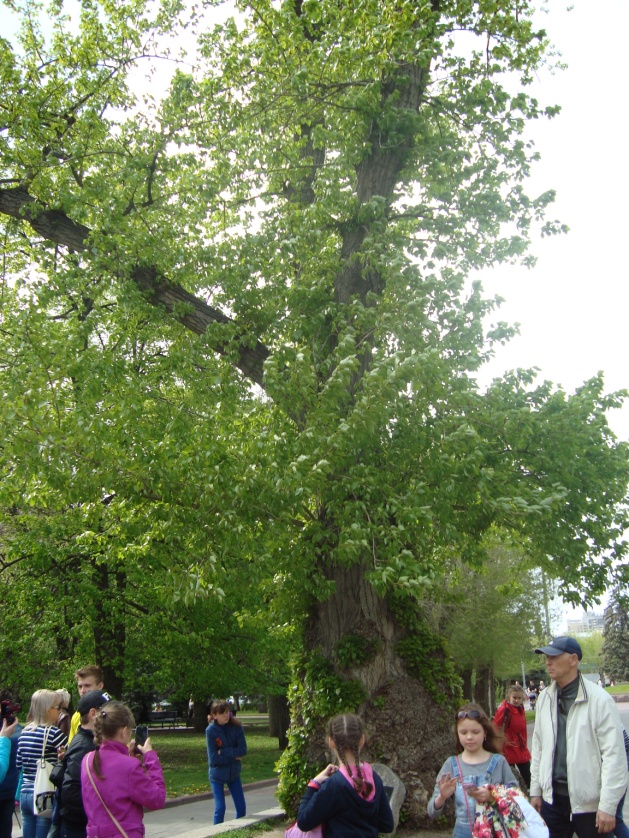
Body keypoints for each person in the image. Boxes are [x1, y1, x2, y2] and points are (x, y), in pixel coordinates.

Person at [530, 636, 627, 838]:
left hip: (589, 803)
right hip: (552, 801)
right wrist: (536, 791)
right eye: (547, 657)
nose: (548, 662)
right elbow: (539, 747)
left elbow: (614, 757)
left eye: (554, 657)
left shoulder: (600, 700)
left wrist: (608, 806)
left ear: (573, 659)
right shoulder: (544, 699)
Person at [296, 713, 394, 838]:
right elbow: (387, 824)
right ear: (362, 740)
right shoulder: (374, 779)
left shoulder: (333, 785)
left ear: (331, 742)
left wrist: (313, 784)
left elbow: (304, 822)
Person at [428, 702, 518, 838]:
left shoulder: (499, 762)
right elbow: (431, 812)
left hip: (495, 831)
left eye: (475, 732)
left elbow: (517, 797)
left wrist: (493, 796)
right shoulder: (451, 764)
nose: (469, 737)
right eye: (463, 732)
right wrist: (442, 797)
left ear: (485, 732)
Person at [81, 701, 165, 838]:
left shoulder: (87, 760)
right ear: (124, 731)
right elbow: (157, 799)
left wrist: (128, 757)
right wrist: (151, 758)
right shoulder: (129, 766)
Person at [54, 690, 109, 838]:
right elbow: (71, 791)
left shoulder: (89, 741)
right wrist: (94, 813)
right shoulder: (85, 746)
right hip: (80, 825)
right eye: (106, 713)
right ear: (93, 714)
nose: (112, 717)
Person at [16, 690, 67, 838]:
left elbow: (19, 764)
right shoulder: (53, 733)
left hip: (25, 791)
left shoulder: (24, 732)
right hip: (44, 793)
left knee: (28, 833)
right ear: (48, 709)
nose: (60, 711)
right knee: (43, 831)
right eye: (57, 707)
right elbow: (69, 758)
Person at [206, 699, 247, 824]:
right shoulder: (211, 731)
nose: (226, 715)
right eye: (222, 713)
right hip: (217, 775)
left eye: (227, 712)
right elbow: (213, 759)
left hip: (233, 774)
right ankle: (216, 833)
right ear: (214, 715)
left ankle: (237, 831)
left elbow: (242, 750)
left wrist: (224, 752)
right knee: (220, 808)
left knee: (241, 808)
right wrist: (234, 756)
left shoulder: (236, 727)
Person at [493, 685, 532, 787]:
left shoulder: (520, 709)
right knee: (510, 777)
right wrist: (498, 748)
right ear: (509, 697)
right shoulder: (504, 710)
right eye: (514, 697)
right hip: (507, 747)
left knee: (528, 775)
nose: (517, 700)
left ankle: (531, 794)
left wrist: (524, 744)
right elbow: (495, 728)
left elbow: (523, 730)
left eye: (519, 698)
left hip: (520, 747)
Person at [67, 668, 110, 745]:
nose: (82, 691)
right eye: (80, 687)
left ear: (100, 686)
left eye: (87, 686)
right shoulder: (77, 715)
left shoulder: (111, 712)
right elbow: (72, 744)